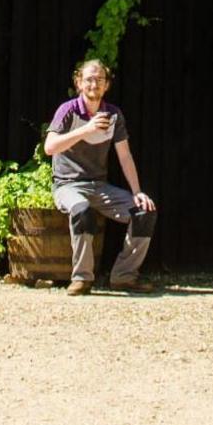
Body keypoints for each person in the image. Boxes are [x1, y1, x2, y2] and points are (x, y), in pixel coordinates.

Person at [42, 59, 157, 295]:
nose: (94, 84)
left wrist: (137, 192)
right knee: (82, 210)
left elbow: (124, 156)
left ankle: (124, 276)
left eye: (99, 80)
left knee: (144, 213)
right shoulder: (68, 110)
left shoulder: (113, 115)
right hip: (68, 185)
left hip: (99, 186)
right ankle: (82, 279)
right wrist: (87, 129)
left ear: (106, 86)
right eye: (89, 79)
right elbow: (50, 147)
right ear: (79, 83)